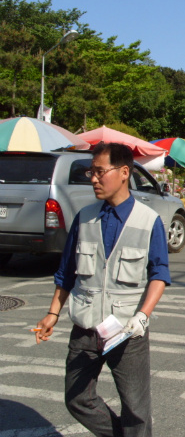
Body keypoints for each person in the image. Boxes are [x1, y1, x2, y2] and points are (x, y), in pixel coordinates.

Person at [34, 143, 170, 436]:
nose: (93, 179)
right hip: (85, 327)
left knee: (136, 409)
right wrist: (52, 313)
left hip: (127, 330)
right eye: (90, 172)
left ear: (124, 173)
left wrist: (143, 315)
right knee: (77, 398)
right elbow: (66, 272)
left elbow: (159, 274)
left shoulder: (149, 221)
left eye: (99, 172)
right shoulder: (84, 218)